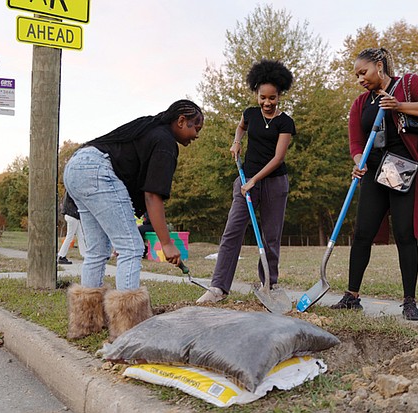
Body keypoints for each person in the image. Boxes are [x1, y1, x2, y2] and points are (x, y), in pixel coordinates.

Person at [64, 99, 204, 340]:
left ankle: (85, 324)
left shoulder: (150, 129)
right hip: (97, 171)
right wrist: (167, 243)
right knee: (131, 247)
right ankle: (128, 328)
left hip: (76, 167)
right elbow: (152, 196)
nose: (196, 135)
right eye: (195, 128)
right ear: (181, 121)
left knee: (97, 251)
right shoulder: (165, 142)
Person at [329, 47, 418, 321]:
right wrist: (359, 160)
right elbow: (356, 141)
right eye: (357, 75)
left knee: (405, 234)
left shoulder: (407, 84)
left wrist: (399, 106)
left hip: (400, 168)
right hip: (373, 172)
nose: (360, 79)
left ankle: (409, 301)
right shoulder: (361, 103)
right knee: (362, 234)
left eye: (363, 72)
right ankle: (351, 297)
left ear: (379, 65)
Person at [197, 59, 296, 304]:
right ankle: (218, 287)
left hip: (274, 183)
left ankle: (268, 286)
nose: (267, 103)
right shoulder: (250, 114)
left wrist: (255, 180)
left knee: (270, 237)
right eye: (263, 97)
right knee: (232, 233)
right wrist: (237, 141)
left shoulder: (285, 123)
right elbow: (241, 128)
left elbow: (278, 157)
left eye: (272, 98)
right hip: (245, 181)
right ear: (256, 94)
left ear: (279, 95)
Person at [57, 192, 86, 265]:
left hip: (72, 215)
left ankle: (85, 255)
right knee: (70, 236)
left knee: (80, 236)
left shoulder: (69, 189)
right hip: (73, 215)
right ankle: (61, 256)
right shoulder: (72, 191)